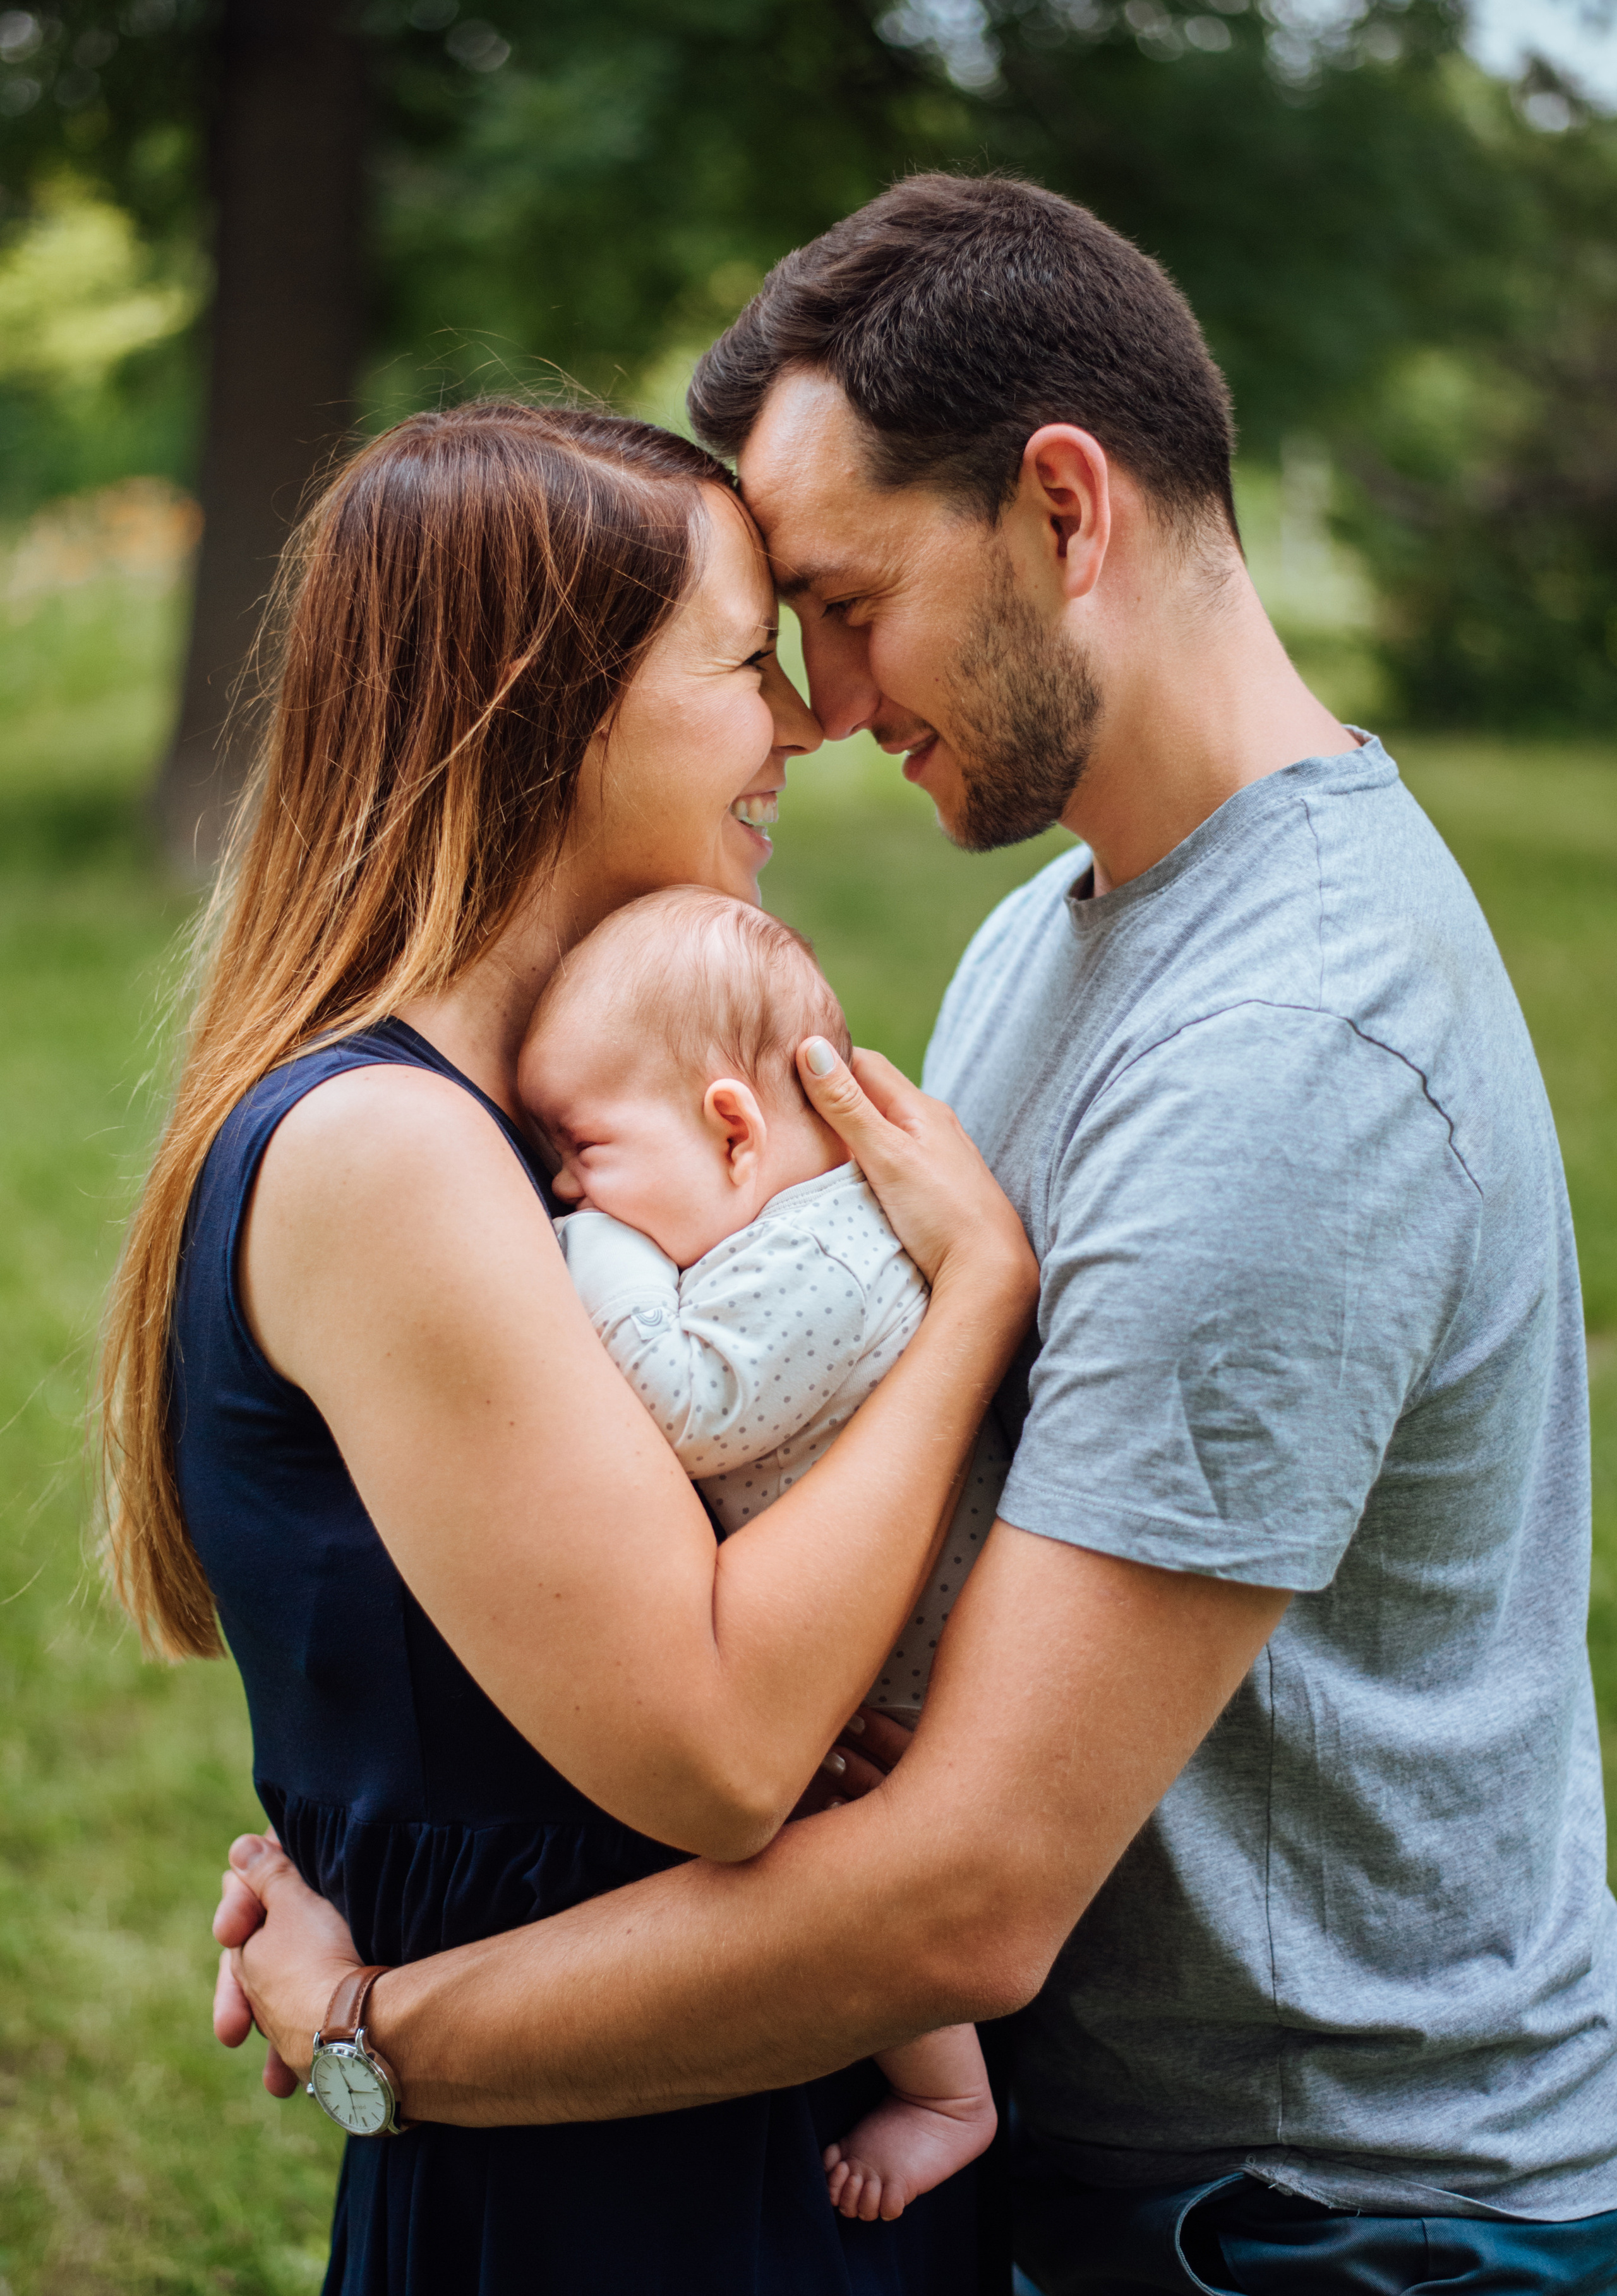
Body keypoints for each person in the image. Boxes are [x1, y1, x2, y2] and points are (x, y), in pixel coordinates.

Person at [214, 178, 1617, 2296]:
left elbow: (967, 1896)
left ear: (1064, 510)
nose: (828, 700)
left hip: (1323, 2219)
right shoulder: (1047, 941)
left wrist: (377, 2025)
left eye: (850, 603)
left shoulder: (1295, 1054)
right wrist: (392, 1804)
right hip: (1109, 2169)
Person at [100, 398, 1038, 2293]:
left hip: (710, 2070)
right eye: (743, 662)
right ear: (552, 708)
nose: (802, 723)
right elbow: (720, 1755)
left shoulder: (501, 1130)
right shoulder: (388, 1150)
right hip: (628, 2190)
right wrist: (974, 1307)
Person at [523, 883, 1006, 2220]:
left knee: (858, 1876)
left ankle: (950, 2100)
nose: (565, 1185)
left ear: (733, 1130)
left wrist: (576, 1243)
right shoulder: (778, 1243)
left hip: (922, 1706)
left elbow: (684, 1404)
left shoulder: (832, 1259)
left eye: (584, 1149)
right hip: (869, 1674)